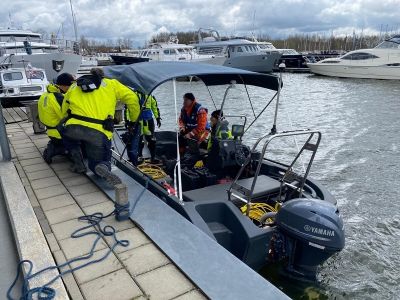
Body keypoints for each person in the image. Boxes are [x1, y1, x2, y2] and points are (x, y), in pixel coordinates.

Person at [59, 67, 140, 186]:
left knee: (62, 127)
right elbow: (132, 99)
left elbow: (64, 110)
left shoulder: (75, 86)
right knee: (98, 161)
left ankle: (78, 160)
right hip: (97, 132)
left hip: (73, 127)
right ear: (103, 76)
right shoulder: (111, 84)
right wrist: (133, 121)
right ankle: (102, 167)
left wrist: (67, 122)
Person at [162, 109, 230, 172]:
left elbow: (223, 147)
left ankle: (174, 167)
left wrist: (209, 152)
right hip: (211, 153)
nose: (210, 119)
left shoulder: (223, 130)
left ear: (217, 119)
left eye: (212, 117)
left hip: (216, 156)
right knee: (191, 153)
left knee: (194, 157)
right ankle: (173, 164)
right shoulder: (215, 128)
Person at [38, 73, 75, 164]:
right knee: (84, 140)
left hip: (51, 130)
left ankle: (56, 146)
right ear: (66, 86)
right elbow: (65, 116)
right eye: (70, 86)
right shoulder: (58, 97)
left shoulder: (47, 94)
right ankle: (61, 149)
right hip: (59, 133)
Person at [124, 91, 162, 165]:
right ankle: (139, 157)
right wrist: (127, 120)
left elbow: (154, 107)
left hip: (148, 121)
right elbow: (128, 108)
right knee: (138, 140)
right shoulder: (133, 95)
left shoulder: (150, 95)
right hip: (138, 121)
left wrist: (157, 118)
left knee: (151, 140)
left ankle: (153, 157)